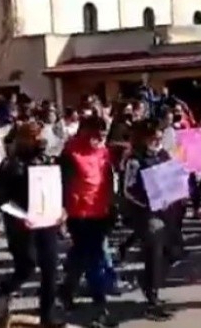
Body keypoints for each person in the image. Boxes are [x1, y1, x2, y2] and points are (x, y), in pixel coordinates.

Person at [0, 121, 65, 327]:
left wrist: (62, 209)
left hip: (47, 222)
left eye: (41, 136)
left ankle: (47, 316)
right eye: (35, 136)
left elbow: (57, 189)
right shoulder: (10, 165)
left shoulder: (48, 161)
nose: (40, 140)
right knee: (26, 268)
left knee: (51, 269)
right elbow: (0, 199)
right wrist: (20, 215)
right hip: (21, 226)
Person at [58, 115, 118, 327]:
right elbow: (62, 185)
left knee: (81, 257)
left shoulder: (104, 152)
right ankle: (100, 308)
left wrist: (113, 205)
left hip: (100, 212)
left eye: (102, 136)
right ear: (84, 132)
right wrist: (62, 214)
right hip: (79, 214)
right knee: (95, 260)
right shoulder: (70, 154)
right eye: (95, 135)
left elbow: (109, 180)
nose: (98, 139)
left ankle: (65, 291)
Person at [122, 119, 175, 321]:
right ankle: (152, 300)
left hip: (166, 212)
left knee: (173, 251)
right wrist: (148, 203)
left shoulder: (162, 155)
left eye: (160, 137)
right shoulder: (134, 160)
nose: (157, 140)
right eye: (153, 137)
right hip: (148, 214)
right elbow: (128, 190)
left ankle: (148, 283)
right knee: (154, 254)